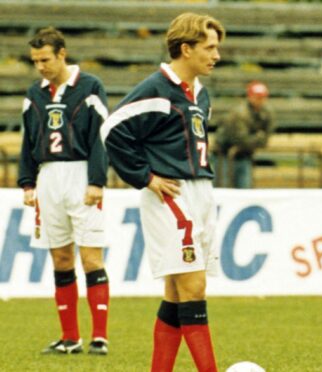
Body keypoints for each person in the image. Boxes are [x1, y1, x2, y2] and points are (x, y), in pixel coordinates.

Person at [100, 13, 224, 372]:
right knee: (194, 286)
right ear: (186, 49)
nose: (216, 55)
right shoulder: (157, 88)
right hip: (171, 194)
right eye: (210, 47)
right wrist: (144, 177)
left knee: (175, 293)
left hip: (200, 191)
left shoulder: (201, 94)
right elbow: (112, 130)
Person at [17, 27, 110, 355]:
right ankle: (70, 337)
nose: (40, 66)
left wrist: (98, 180)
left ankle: (100, 336)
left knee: (90, 255)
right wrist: (27, 182)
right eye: (35, 61)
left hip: (81, 173)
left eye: (45, 59)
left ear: (62, 54)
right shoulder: (34, 92)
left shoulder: (89, 86)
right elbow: (28, 141)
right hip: (48, 178)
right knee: (60, 256)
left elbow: (101, 135)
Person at [214, 80, 275, 188]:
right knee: (223, 189)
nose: (260, 100)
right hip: (225, 154)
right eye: (257, 97)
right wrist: (258, 137)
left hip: (244, 155)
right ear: (250, 97)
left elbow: (266, 138)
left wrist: (256, 139)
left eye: (262, 97)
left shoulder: (267, 113)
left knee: (244, 189)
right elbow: (242, 139)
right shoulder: (239, 113)